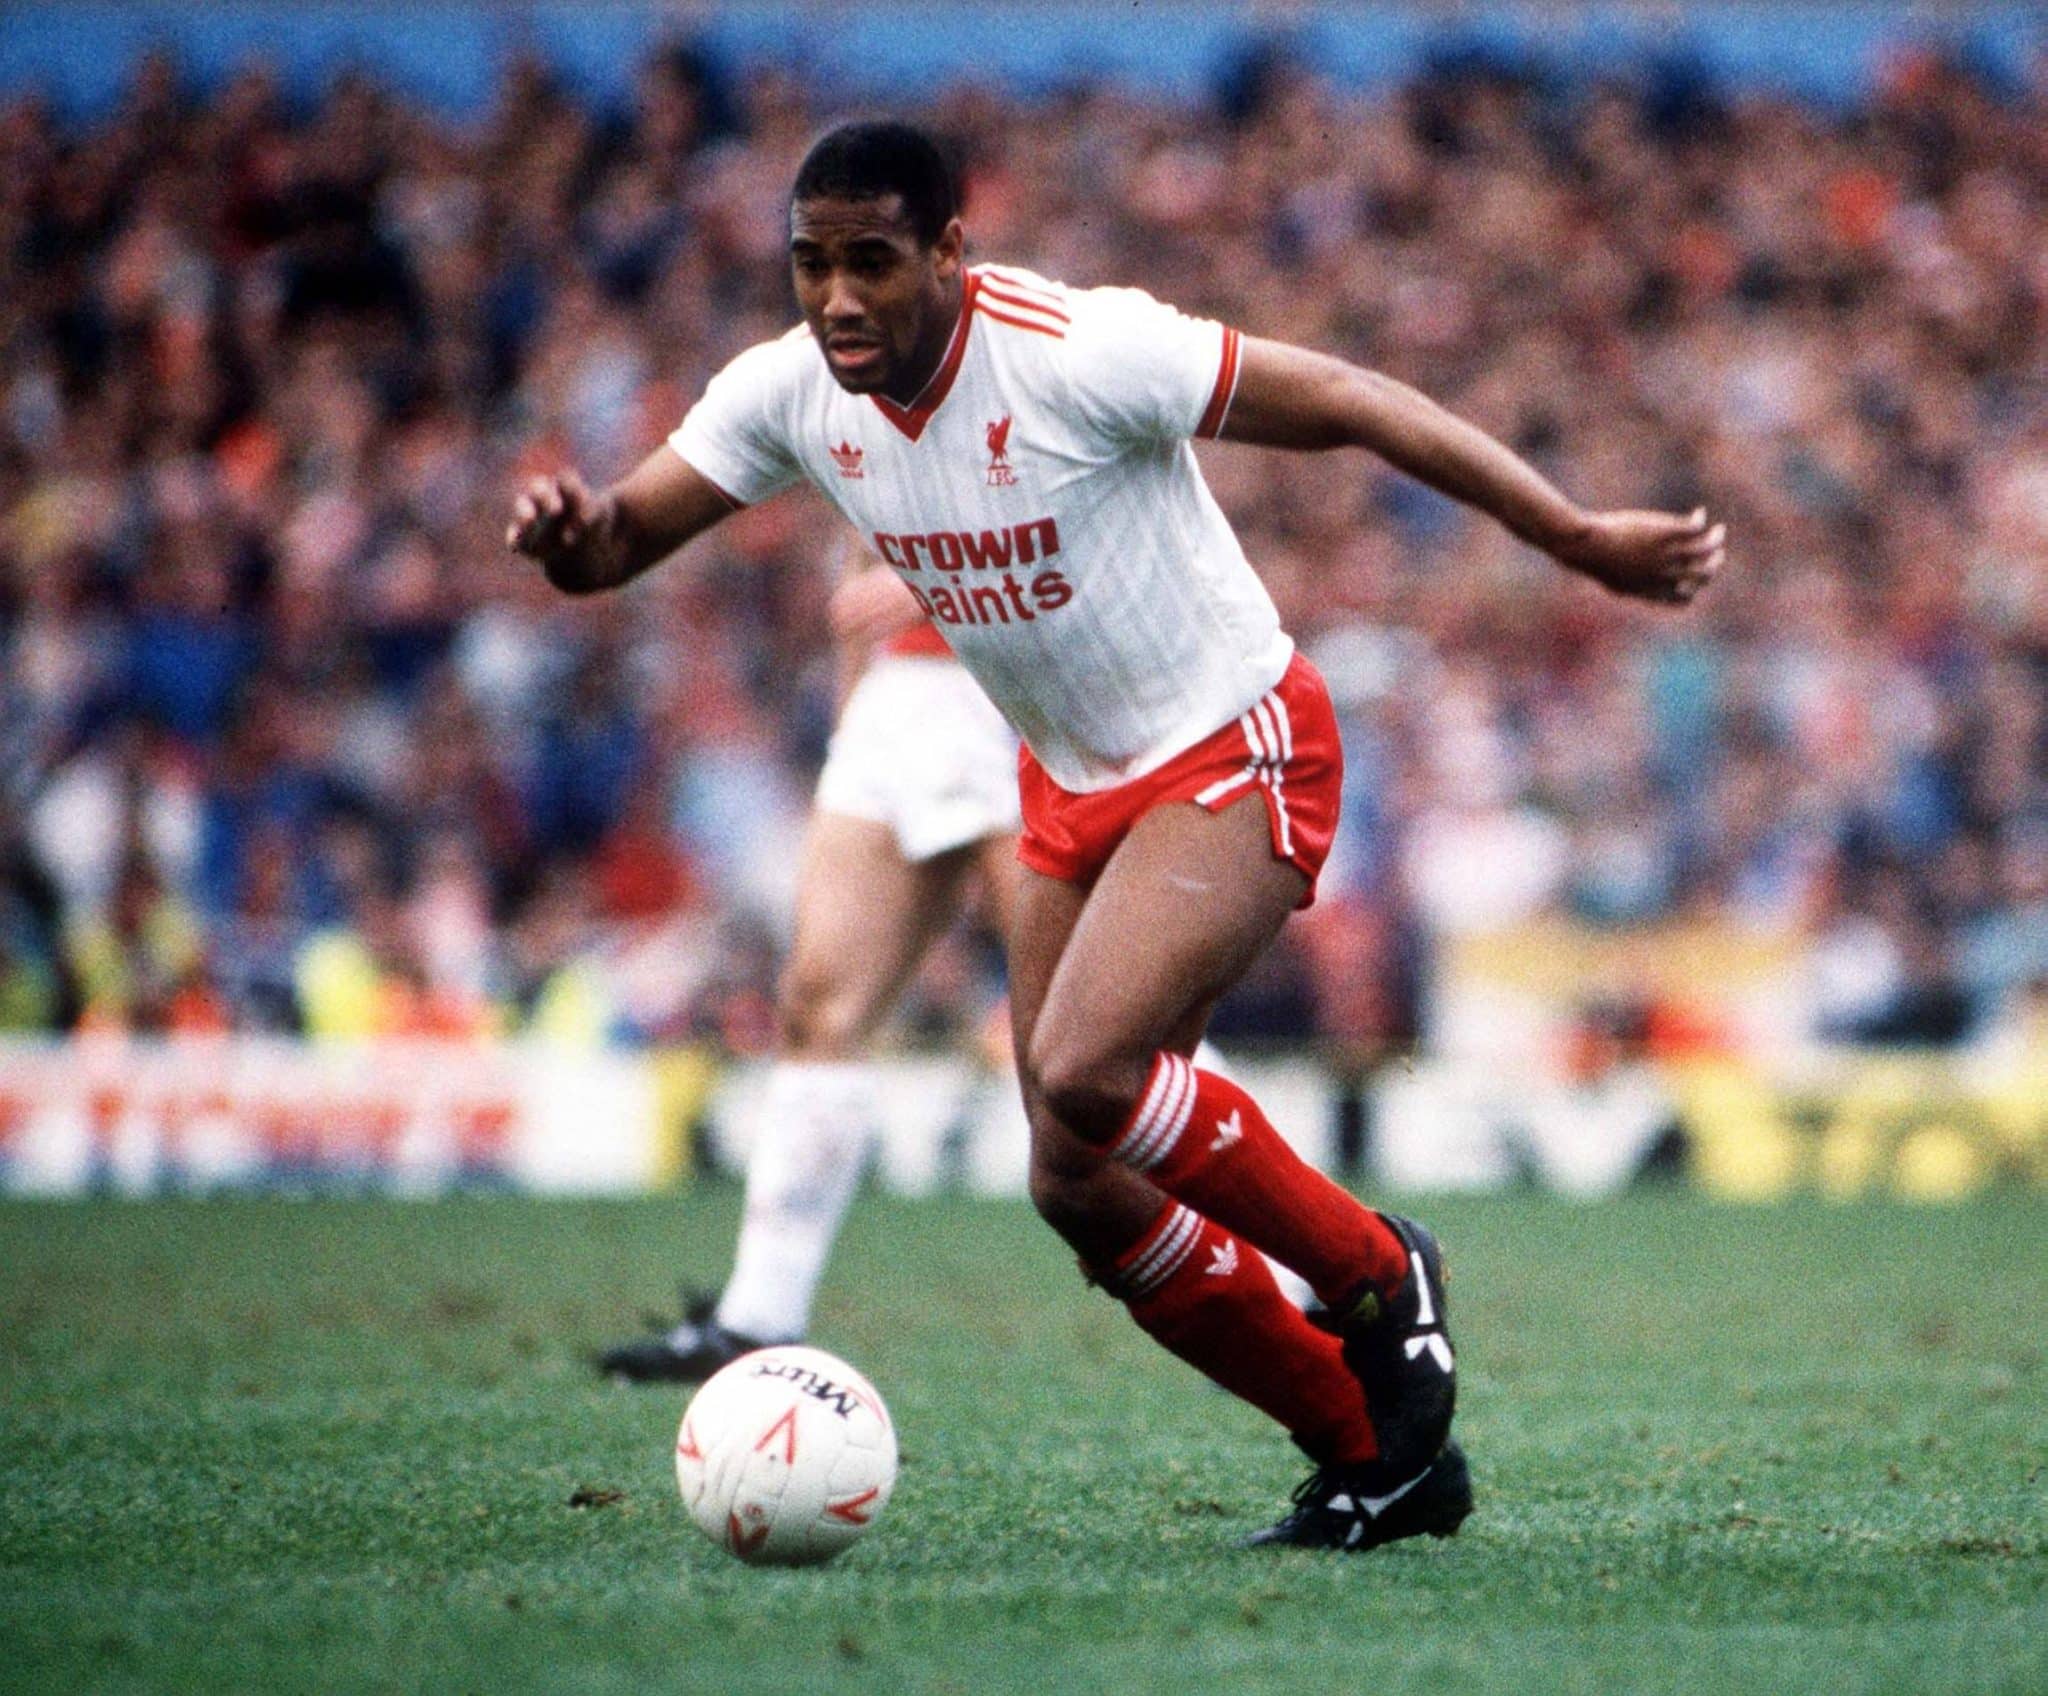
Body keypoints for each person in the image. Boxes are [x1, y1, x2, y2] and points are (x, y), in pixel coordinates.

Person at [509, 120, 1724, 1551]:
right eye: (811, 265)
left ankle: (1380, 1270)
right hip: (1071, 788)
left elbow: (1342, 398)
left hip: (1238, 741)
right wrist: (569, 530)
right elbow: (618, 546)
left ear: (951, 253)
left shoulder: (1081, 351)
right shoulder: (791, 394)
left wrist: (1572, 535)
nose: (837, 298)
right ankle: (1372, 1457)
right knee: (1073, 1177)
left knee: (1089, 1069)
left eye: (874, 264)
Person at [598, 559, 1026, 1381]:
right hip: (900, 694)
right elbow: (868, 546)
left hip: (1024, 678)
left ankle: (1298, 1278)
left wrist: (952, 587)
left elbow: (1092, 504)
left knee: (1083, 1033)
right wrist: (855, 687)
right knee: (817, 1006)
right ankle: (759, 1317)